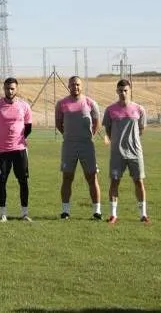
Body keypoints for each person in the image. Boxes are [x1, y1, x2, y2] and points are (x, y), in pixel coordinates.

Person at [102, 79, 150, 224]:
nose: (123, 93)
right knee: (114, 182)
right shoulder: (110, 110)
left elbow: (141, 129)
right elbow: (108, 130)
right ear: (117, 91)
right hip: (117, 154)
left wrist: (131, 141)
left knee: (139, 182)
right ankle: (113, 215)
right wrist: (117, 142)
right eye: (120, 90)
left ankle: (143, 215)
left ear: (130, 91)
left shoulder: (139, 109)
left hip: (135, 152)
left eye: (126, 90)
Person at [55, 76, 103, 220]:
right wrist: (69, 136)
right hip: (69, 145)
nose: (75, 87)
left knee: (92, 177)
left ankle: (97, 211)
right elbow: (59, 123)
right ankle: (65, 211)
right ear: (68, 86)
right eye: (72, 85)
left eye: (77, 85)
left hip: (87, 145)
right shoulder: (62, 104)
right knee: (67, 177)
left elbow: (96, 123)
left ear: (81, 86)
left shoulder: (90, 103)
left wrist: (88, 137)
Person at [0, 77, 33, 222]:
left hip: (19, 150)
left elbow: (28, 128)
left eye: (12, 88)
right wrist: (3, 140)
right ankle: (3, 214)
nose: (10, 91)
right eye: (7, 88)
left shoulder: (24, 106)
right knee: (1, 181)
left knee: (23, 181)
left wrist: (17, 141)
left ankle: (25, 213)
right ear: (4, 89)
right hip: (3, 151)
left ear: (16, 89)